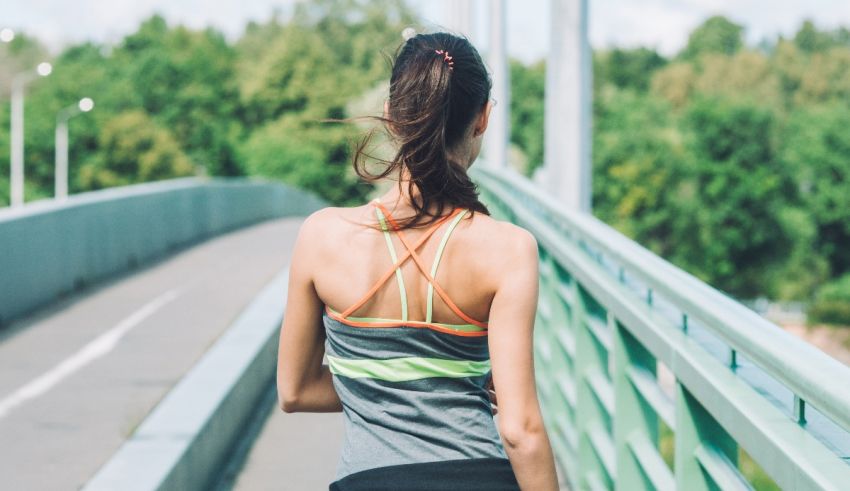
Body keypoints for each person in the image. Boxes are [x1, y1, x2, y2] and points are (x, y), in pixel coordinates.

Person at [276, 31, 559, 491]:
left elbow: (295, 391)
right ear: (483, 118)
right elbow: (520, 430)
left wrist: (384, 389)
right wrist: (451, 386)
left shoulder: (321, 237)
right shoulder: (509, 249)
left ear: (391, 116)